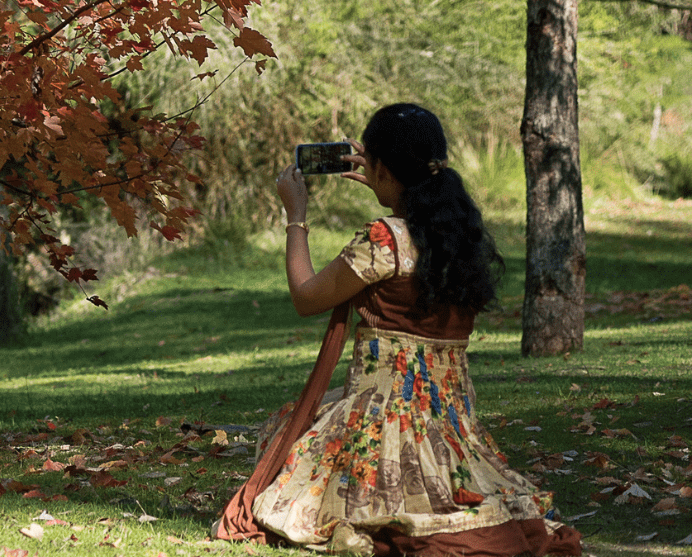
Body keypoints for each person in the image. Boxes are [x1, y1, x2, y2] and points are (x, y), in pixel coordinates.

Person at [217, 104, 583, 557]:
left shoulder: (383, 239)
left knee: (284, 437)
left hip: (383, 418)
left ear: (381, 168)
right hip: (449, 422)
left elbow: (306, 297)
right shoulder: (458, 236)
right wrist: (390, 185)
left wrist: (296, 215)